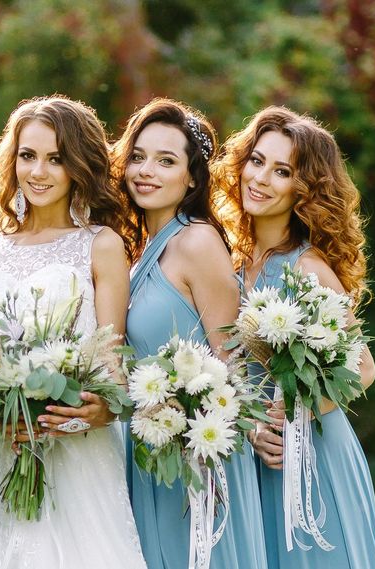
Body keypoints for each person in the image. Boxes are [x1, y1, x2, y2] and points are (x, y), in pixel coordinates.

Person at [0, 95, 147, 569]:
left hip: (75, 455)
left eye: (55, 159)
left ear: (78, 167)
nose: (39, 172)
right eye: (28, 156)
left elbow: (111, 363)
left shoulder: (101, 245)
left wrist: (89, 413)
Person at [213, 105, 375, 568]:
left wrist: (293, 421)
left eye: (282, 171)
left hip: (309, 456)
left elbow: (362, 368)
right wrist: (252, 427)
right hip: (251, 454)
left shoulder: (307, 268)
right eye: (257, 161)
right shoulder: (227, 262)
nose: (261, 178)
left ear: (303, 189)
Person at [110, 98, 269, 569]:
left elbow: (233, 362)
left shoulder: (197, 241)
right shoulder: (139, 253)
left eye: (166, 161)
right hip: (150, 453)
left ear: (192, 177)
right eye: (138, 156)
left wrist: (192, 418)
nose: (146, 171)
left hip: (199, 461)